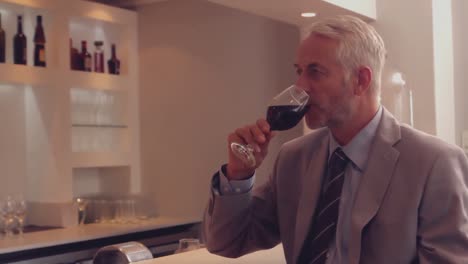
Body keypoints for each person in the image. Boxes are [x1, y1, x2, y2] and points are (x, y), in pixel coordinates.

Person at [202, 15, 468, 264]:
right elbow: (228, 243)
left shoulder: (434, 163)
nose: (300, 86)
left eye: (315, 72)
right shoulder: (293, 158)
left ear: (361, 80)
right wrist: (238, 175)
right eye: (299, 71)